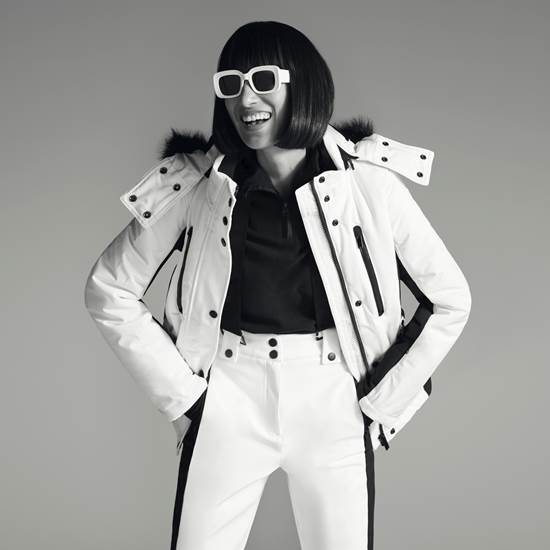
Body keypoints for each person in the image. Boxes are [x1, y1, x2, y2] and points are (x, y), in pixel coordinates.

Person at [84, 20, 472, 550]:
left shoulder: (366, 183)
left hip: (334, 399)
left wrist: (381, 405)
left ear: (303, 85)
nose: (246, 99)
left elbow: (450, 298)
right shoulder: (199, 185)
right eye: (231, 84)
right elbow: (109, 288)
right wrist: (185, 400)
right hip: (228, 395)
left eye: (264, 80)